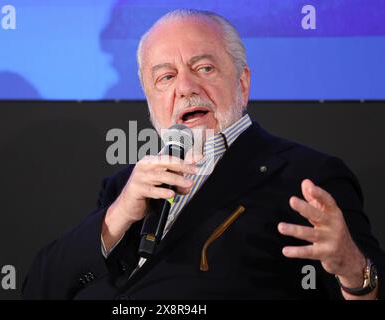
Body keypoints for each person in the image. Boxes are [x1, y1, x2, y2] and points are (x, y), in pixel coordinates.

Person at [22, 9, 384, 300]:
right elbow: (40, 289)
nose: (185, 87)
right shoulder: (124, 186)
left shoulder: (306, 175)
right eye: (165, 77)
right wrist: (117, 216)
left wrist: (354, 271)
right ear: (150, 101)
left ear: (242, 84)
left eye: (204, 68)